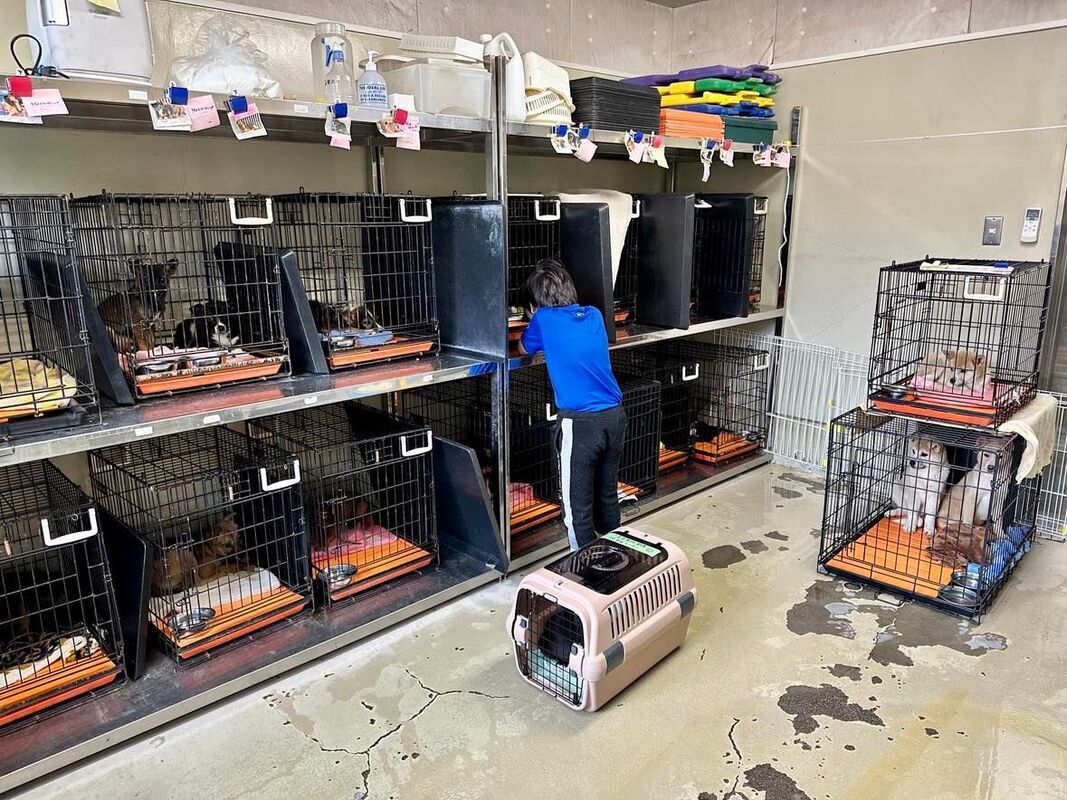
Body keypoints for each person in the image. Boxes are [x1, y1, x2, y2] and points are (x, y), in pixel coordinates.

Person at [518, 258, 626, 550]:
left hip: (581, 423)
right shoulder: (593, 314)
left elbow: (523, 348)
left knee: (576, 506)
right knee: (606, 495)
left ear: (534, 305)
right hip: (615, 417)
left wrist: (533, 319)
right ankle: (614, 555)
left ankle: (585, 568)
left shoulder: (543, 320)